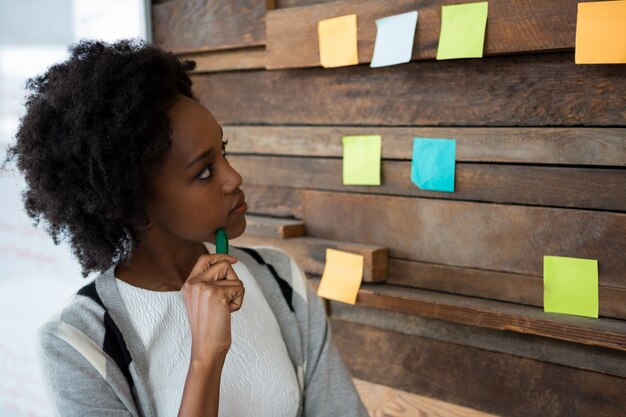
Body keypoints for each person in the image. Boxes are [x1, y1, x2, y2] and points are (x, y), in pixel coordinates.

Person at [3, 38, 369, 417]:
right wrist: (205, 359)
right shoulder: (79, 342)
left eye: (223, 152)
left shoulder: (278, 280)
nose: (234, 178)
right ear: (138, 203)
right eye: (205, 171)